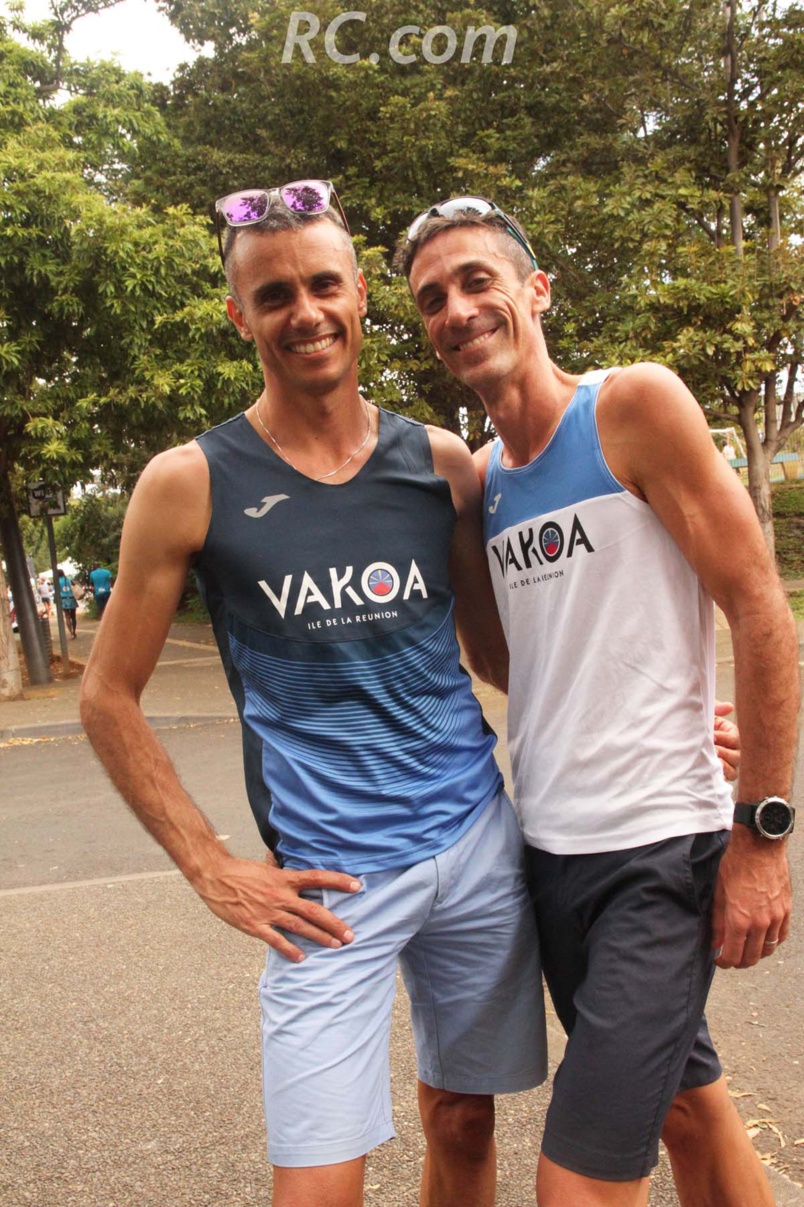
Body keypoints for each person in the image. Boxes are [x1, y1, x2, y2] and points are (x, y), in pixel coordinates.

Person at [79, 181, 548, 1207]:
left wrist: (686, 715)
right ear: (237, 314)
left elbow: (504, 657)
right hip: (327, 891)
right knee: (317, 1187)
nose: (306, 312)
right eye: (275, 293)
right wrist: (208, 864)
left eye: (324, 284)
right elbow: (107, 696)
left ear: (361, 292)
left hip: (475, 848)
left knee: (467, 1123)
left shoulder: (439, 464)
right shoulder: (187, 482)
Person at [396, 198, 800, 1207]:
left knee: (577, 1179)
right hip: (549, 849)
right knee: (688, 1107)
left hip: (661, 851)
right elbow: (511, 660)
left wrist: (761, 829)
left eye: (478, 280)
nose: (457, 307)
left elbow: (759, 608)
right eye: (432, 298)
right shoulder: (481, 480)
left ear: (535, 290)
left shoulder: (630, 408)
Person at [57, 566, 78, 638]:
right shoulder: (69, 579)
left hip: (64, 599)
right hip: (71, 598)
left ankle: (71, 633)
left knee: (67, 616)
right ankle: (74, 631)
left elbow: (56, 591)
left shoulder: (57, 582)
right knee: (73, 616)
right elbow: (75, 585)